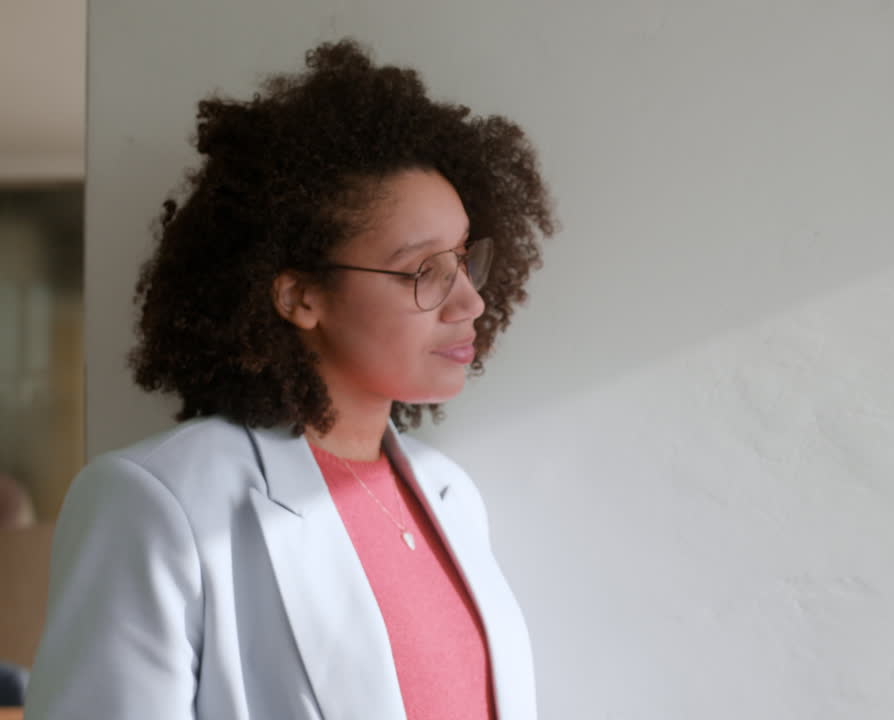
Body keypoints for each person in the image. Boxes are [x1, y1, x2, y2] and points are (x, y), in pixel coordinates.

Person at [24, 38, 555, 720]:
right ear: (299, 296)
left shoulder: (450, 495)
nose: (471, 302)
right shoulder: (159, 503)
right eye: (424, 270)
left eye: (465, 259)